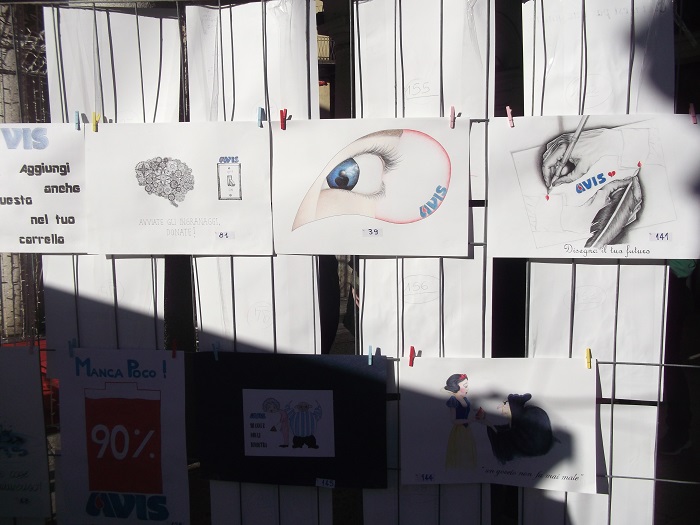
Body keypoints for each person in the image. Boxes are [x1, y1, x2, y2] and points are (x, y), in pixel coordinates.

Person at [444, 373, 484, 469]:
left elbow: (470, 411)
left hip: (467, 430)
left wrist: (478, 412)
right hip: (459, 431)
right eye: (465, 386)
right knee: (460, 453)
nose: (467, 389)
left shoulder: (465, 399)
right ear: (456, 387)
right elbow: (454, 420)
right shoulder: (453, 400)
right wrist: (469, 420)